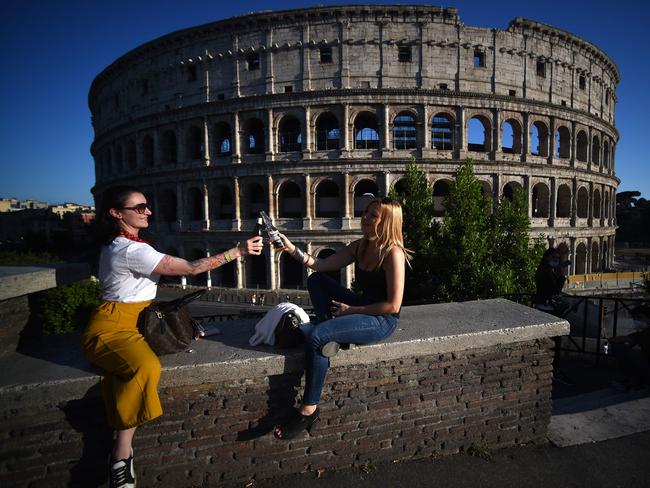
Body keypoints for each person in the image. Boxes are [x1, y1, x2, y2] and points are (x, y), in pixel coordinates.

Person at [82, 185, 262, 488]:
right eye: (139, 208)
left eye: (147, 206)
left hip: (132, 322)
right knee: (146, 368)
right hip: (109, 329)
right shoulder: (131, 250)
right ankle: (120, 455)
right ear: (116, 213)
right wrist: (239, 251)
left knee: (178, 341)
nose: (148, 211)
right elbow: (191, 268)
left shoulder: (118, 243)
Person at [272, 197, 411, 439]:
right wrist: (290, 248)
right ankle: (331, 333)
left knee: (316, 337)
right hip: (360, 306)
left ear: (387, 221)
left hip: (381, 319)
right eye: (366, 212)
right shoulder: (360, 246)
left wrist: (351, 311)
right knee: (316, 280)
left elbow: (392, 305)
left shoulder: (393, 253)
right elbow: (322, 264)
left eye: (372, 215)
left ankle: (308, 409)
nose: (364, 217)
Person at [534, 247, 571, 317]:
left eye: (558, 257)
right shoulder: (546, 270)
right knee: (565, 304)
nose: (556, 259)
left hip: (542, 301)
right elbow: (556, 290)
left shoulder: (546, 269)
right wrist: (560, 271)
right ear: (547, 258)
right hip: (544, 303)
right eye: (553, 257)